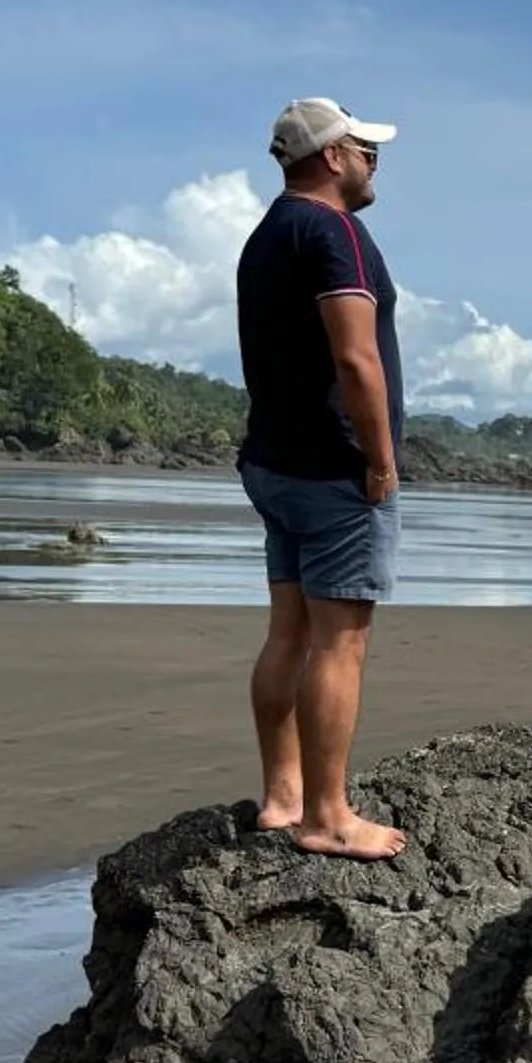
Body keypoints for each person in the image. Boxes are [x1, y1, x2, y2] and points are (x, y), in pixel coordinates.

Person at [234, 96, 410, 861]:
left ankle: (284, 795)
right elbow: (355, 356)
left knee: (289, 631)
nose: (376, 160)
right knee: (341, 642)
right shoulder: (335, 230)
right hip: (334, 469)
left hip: (273, 462)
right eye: (367, 148)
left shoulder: (266, 235)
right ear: (333, 155)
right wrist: (379, 459)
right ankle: (328, 817)